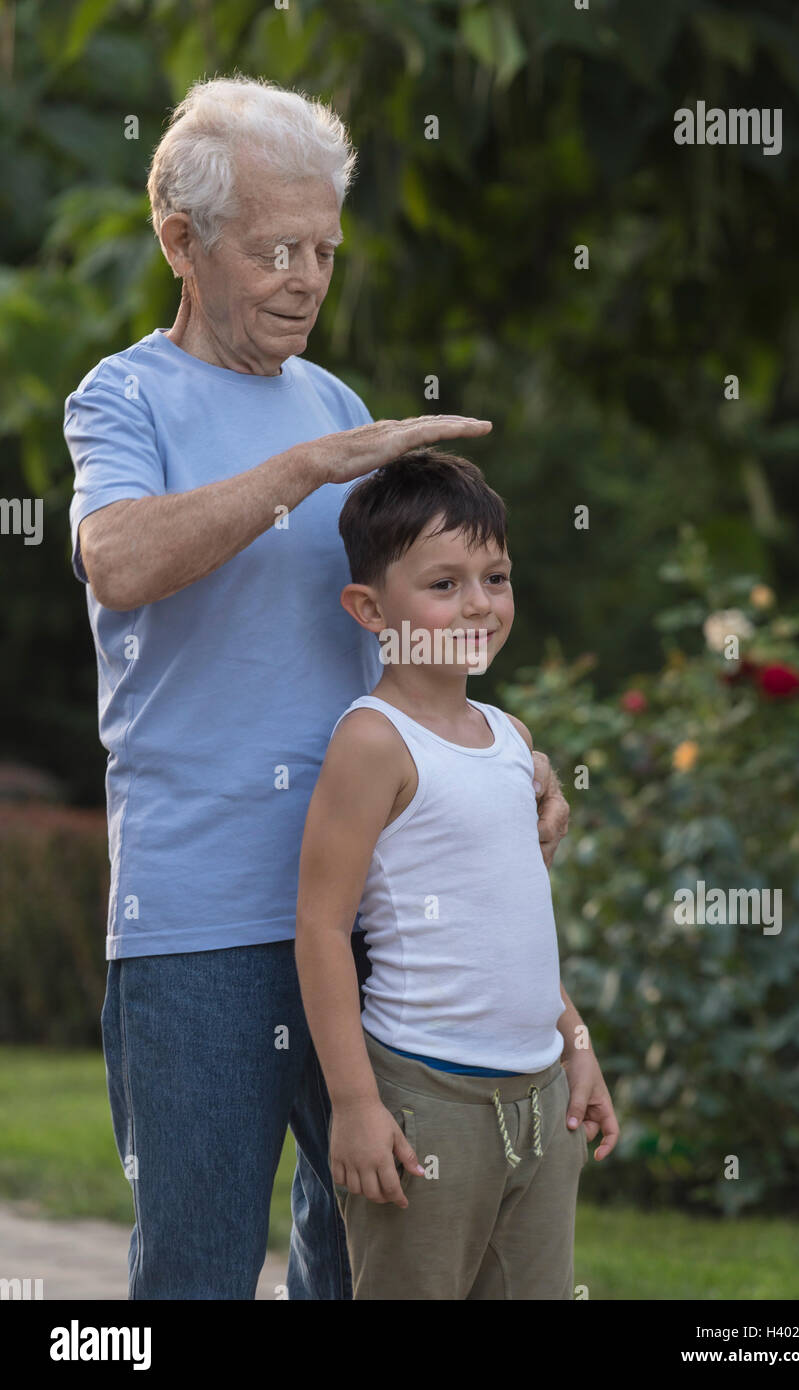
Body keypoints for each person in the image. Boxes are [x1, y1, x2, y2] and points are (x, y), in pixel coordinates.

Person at [62, 74, 570, 1300]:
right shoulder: (124, 396)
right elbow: (120, 559)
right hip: (200, 922)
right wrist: (304, 468)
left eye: (325, 249)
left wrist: (501, 754)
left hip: (366, 918)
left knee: (360, 1258)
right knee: (193, 1270)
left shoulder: (334, 403)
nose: (304, 276)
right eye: (275, 247)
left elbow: (407, 636)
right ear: (182, 243)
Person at [296, 449, 619, 1300]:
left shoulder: (511, 738)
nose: (479, 602)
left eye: (496, 575)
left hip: (541, 1101)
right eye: (444, 585)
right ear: (369, 608)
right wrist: (356, 1106)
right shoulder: (373, 742)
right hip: (424, 1101)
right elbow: (322, 929)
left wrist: (574, 1042)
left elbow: (511, 924)